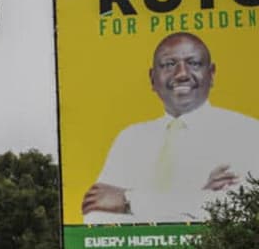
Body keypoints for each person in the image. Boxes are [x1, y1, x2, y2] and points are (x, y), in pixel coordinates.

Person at [82, 32, 259, 223]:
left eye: (194, 63)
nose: (182, 74)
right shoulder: (130, 139)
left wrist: (129, 200)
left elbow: (238, 209)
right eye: (169, 64)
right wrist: (199, 196)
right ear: (152, 78)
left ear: (212, 73)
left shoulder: (246, 132)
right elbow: (95, 216)